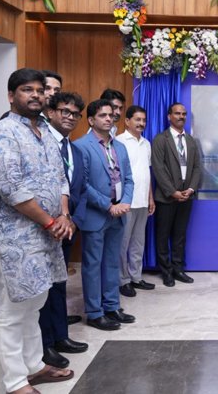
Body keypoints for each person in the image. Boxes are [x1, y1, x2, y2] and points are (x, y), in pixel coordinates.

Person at [0, 68, 74, 393]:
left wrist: (63, 215)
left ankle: (34, 366)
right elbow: (12, 188)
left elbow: (60, 178)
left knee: (35, 304)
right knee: (12, 311)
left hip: (45, 237)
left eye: (39, 90)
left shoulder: (45, 130)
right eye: (26, 90)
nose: (35, 95)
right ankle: (15, 380)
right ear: (11, 96)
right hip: (12, 239)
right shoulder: (1, 133)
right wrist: (50, 222)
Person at [75, 99, 135, 331]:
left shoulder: (120, 146)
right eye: (103, 115)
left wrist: (125, 202)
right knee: (92, 265)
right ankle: (94, 312)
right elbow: (83, 184)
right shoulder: (81, 146)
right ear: (91, 120)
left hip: (119, 213)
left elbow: (128, 178)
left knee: (112, 262)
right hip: (96, 215)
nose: (109, 118)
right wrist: (108, 205)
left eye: (111, 115)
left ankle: (112, 306)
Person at [39, 92, 89, 369]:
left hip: (68, 228)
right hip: (45, 228)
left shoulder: (75, 150)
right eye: (64, 111)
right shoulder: (42, 144)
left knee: (60, 285)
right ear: (51, 112)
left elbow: (81, 189)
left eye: (75, 114)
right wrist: (54, 220)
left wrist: (74, 221)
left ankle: (61, 336)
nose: (70, 117)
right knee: (44, 289)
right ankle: (45, 344)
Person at [152, 103, 202, 287]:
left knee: (180, 236)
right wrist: (172, 192)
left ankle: (178, 269)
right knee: (163, 235)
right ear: (169, 116)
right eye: (177, 113)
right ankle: (166, 272)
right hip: (166, 197)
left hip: (186, 197)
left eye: (184, 114)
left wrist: (191, 189)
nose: (181, 116)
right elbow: (158, 168)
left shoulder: (191, 141)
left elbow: (197, 168)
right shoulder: (160, 139)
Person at [116, 106, 156, 297]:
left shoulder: (146, 144)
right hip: (126, 202)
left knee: (138, 243)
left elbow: (147, 173)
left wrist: (150, 198)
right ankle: (122, 281)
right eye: (137, 119)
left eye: (144, 120)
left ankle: (136, 277)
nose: (141, 123)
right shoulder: (119, 142)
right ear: (127, 121)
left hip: (143, 201)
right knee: (122, 244)